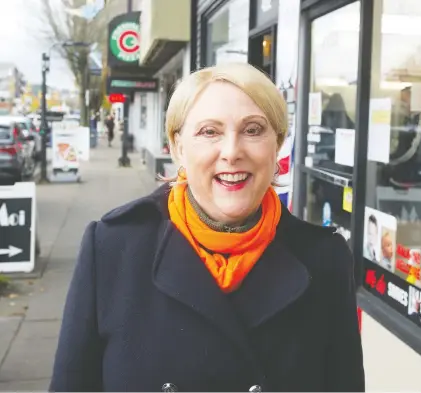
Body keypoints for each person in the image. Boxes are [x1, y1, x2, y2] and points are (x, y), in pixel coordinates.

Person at [49, 63, 365, 392]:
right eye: (209, 132)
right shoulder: (113, 249)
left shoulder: (324, 260)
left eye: (253, 130)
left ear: (278, 145)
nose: (231, 152)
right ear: (178, 148)